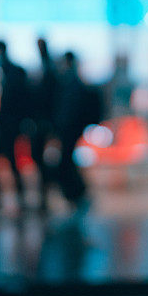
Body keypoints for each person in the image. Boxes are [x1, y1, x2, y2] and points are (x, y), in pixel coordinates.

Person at [0, 40, 30, 211]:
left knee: (7, 162)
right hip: (8, 126)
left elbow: (14, 103)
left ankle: (9, 199)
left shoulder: (10, 72)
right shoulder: (5, 72)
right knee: (6, 163)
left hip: (8, 127)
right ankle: (10, 198)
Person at [54, 51, 89, 209]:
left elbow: (70, 109)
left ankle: (77, 192)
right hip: (70, 128)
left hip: (70, 128)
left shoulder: (71, 82)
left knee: (66, 161)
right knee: (67, 160)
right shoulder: (72, 81)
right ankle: (76, 192)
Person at [30, 38, 58, 212]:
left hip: (45, 124)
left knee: (44, 162)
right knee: (40, 161)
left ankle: (45, 197)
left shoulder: (49, 70)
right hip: (42, 123)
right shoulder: (45, 68)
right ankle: (44, 197)